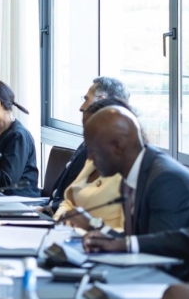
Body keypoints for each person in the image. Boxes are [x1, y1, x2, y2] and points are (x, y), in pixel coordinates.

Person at [80, 106, 189, 253]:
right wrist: (94, 226)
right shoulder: (130, 175)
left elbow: (165, 252)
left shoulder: (166, 181)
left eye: (93, 150)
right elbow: (136, 240)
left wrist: (119, 245)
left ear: (118, 147)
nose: (89, 157)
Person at [47, 77, 130, 211]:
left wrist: (51, 209)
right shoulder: (90, 142)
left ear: (102, 99)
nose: (81, 107)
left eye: (86, 99)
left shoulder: (107, 151)